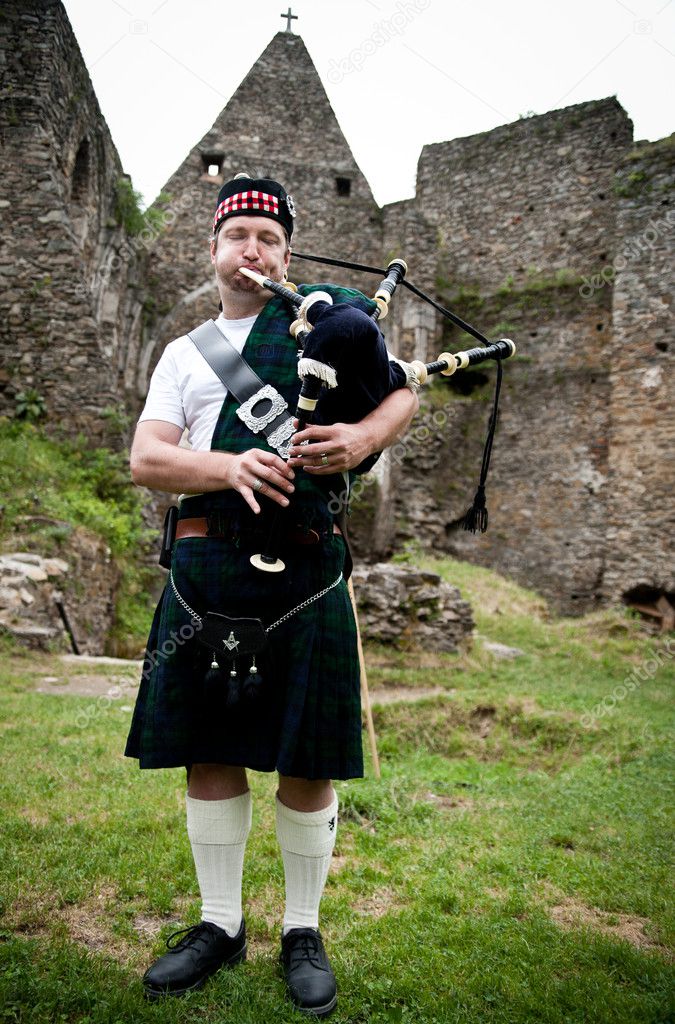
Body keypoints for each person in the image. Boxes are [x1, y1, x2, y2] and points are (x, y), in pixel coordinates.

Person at [125, 173, 418, 1017]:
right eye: (238, 237)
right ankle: (220, 924)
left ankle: (301, 928)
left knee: (307, 757)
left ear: (287, 257)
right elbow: (147, 460)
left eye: (269, 241)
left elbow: (403, 390)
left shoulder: (324, 324)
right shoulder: (185, 354)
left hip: (304, 565)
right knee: (208, 750)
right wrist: (226, 465)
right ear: (213, 251)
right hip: (206, 562)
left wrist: (363, 434)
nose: (252, 252)